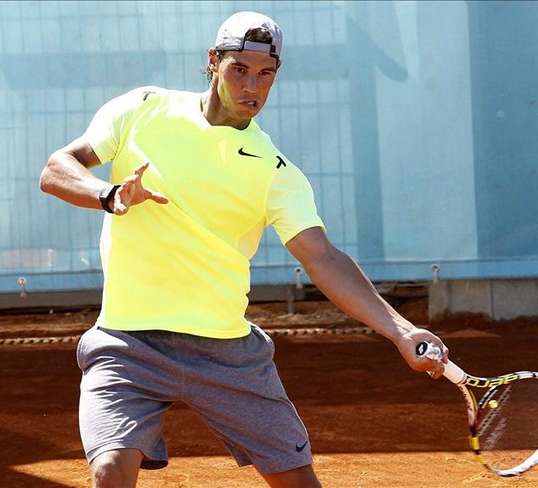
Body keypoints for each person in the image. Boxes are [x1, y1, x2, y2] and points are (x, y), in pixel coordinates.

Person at [40, 11, 448, 488]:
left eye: (265, 74)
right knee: (110, 471)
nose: (251, 86)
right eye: (239, 69)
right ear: (213, 62)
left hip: (227, 353)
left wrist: (400, 331)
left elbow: (322, 257)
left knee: (298, 482)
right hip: (127, 345)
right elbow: (56, 169)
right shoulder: (143, 109)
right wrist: (109, 196)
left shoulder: (275, 171)